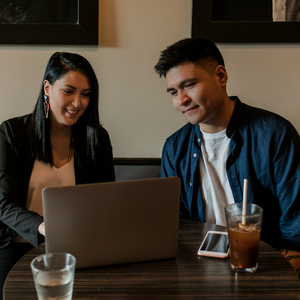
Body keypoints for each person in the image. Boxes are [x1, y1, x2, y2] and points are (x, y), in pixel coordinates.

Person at [154, 38, 300, 275]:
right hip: (198, 271)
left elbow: (296, 232)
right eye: (173, 92)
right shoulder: (174, 147)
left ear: (221, 76)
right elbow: (175, 228)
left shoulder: (275, 134)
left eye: (189, 85)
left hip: (263, 269)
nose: (181, 100)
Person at [0, 52, 115, 297]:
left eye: (85, 94)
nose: (77, 103)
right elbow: (4, 204)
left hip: (77, 248)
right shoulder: (11, 132)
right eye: (68, 91)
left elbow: (105, 201)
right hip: (16, 245)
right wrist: (43, 227)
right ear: (47, 87)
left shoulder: (97, 138)